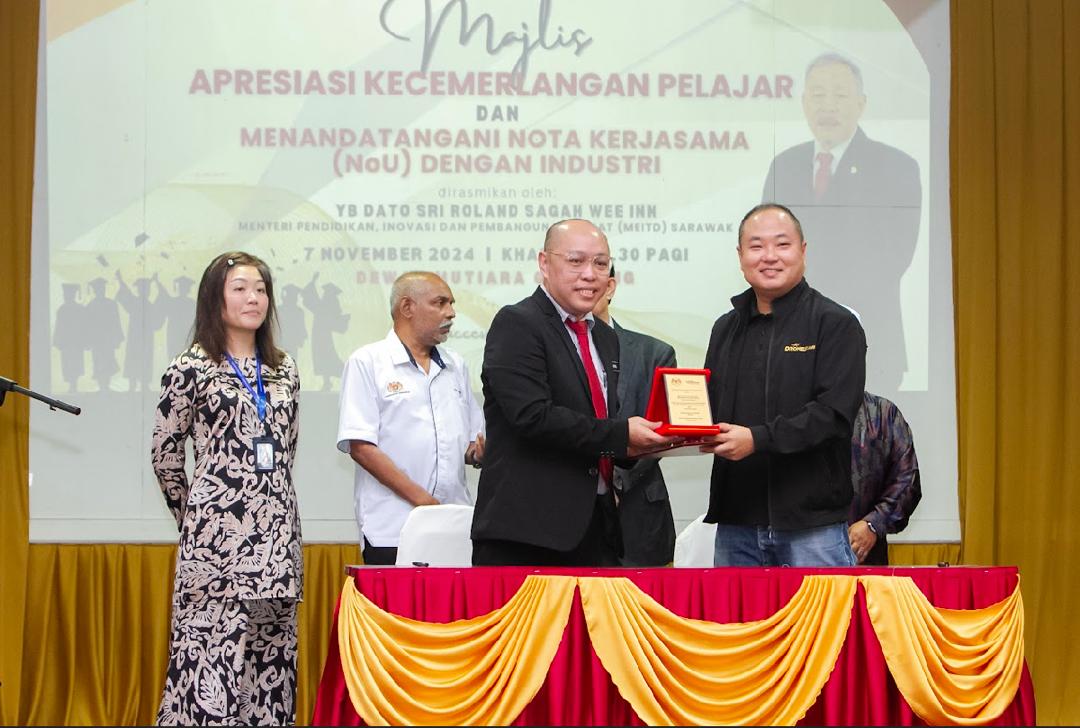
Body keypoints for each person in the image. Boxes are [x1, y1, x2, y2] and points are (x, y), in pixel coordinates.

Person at [151, 251, 302, 726]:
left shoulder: (285, 370)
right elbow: (166, 458)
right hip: (215, 551)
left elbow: (285, 451)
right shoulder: (188, 369)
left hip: (277, 546)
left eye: (260, 289)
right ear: (214, 299)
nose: (253, 298)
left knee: (271, 669)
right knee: (207, 668)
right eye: (239, 288)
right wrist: (199, 520)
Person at [471, 219, 676, 567]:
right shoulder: (517, 324)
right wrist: (623, 434)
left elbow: (599, 422)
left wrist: (647, 442)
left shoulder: (604, 338)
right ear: (544, 264)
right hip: (528, 535)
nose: (590, 274)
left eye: (600, 263)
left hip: (598, 528)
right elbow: (533, 417)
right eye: (576, 261)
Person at [701, 204, 866, 567]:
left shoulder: (835, 324)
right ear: (741, 255)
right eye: (756, 246)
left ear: (803, 251)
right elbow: (708, 410)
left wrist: (757, 439)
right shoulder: (725, 329)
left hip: (813, 527)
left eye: (782, 245)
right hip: (736, 522)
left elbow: (832, 416)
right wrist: (678, 430)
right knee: (736, 626)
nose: (769, 257)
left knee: (825, 626)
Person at [762, 52, 920, 393]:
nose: (827, 106)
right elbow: (768, 249)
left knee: (864, 444)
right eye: (818, 95)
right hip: (789, 340)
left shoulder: (896, 166)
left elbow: (895, 256)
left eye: (840, 95)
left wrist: (820, 312)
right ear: (804, 103)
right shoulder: (784, 165)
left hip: (870, 337)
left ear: (861, 104)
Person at [337, 271, 484, 566]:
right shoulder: (368, 362)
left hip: (453, 525)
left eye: (451, 304)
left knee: (453, 612)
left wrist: (479, 452)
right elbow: (361, 447)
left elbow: (471, 442)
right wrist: (424, 503)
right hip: (393, 527)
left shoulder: (455, 365)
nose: (451, 313)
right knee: (398, 612)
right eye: (440, 303)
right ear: (407, 308)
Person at [592, 264, 678, 566]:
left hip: (638, 512)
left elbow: (662, 431)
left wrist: (615, 482)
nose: (584, 281)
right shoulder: (549, 351)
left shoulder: (654, 353)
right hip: (570, 514)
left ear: (611, 287)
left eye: (596, 269)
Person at [848, 390, 922, 565]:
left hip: (865, 560)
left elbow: (907, 479)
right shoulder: (797, 414)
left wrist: (874, 524)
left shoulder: (883, 414)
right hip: (802, 559)